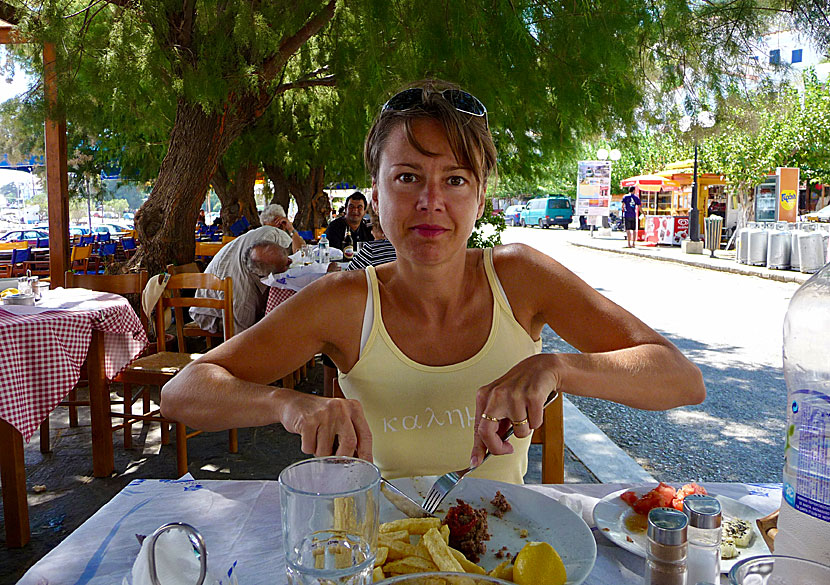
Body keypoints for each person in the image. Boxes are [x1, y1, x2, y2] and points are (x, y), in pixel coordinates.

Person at [162, 81, 704, 484]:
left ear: (480, 198)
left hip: (503, 552)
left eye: (455, 179)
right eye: (407, 178)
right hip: (382, 552)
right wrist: (288, 405)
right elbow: (182, 392)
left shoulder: (519, 278)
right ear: (373, 196)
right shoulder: (344, 301)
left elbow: (680, 378)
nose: (431, 202)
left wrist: (555, 367)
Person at [189, 205, 298, 334]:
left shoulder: (252, 237)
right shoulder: (274, 234)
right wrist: (291, 229)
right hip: (219, 318)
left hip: (203, 310)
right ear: (281, 223)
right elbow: (301, 252)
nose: (289, 261)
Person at [346, 205, 396, 271]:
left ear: (383, 228)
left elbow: (349, 274)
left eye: (371, 226)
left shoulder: (373, 249)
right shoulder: (408, 248)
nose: (371, 232)